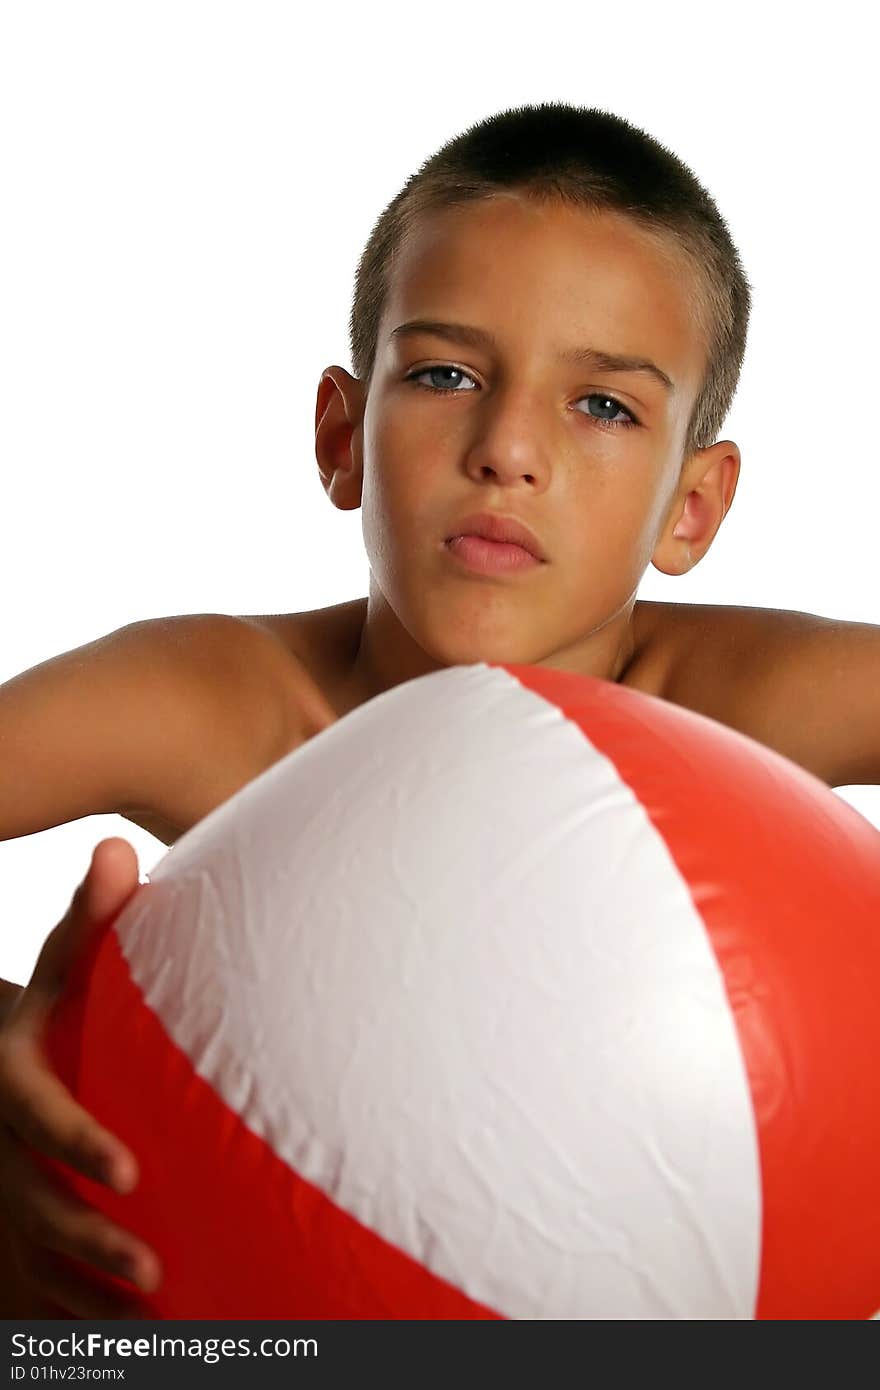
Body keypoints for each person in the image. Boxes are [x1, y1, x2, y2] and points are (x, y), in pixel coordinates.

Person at [1, 101, 878, 1319]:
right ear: (343, 434)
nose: (508, 448)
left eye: (604, 405)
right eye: (446, 374)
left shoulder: (748, 708)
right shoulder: (223, 703)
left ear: (693, 507)